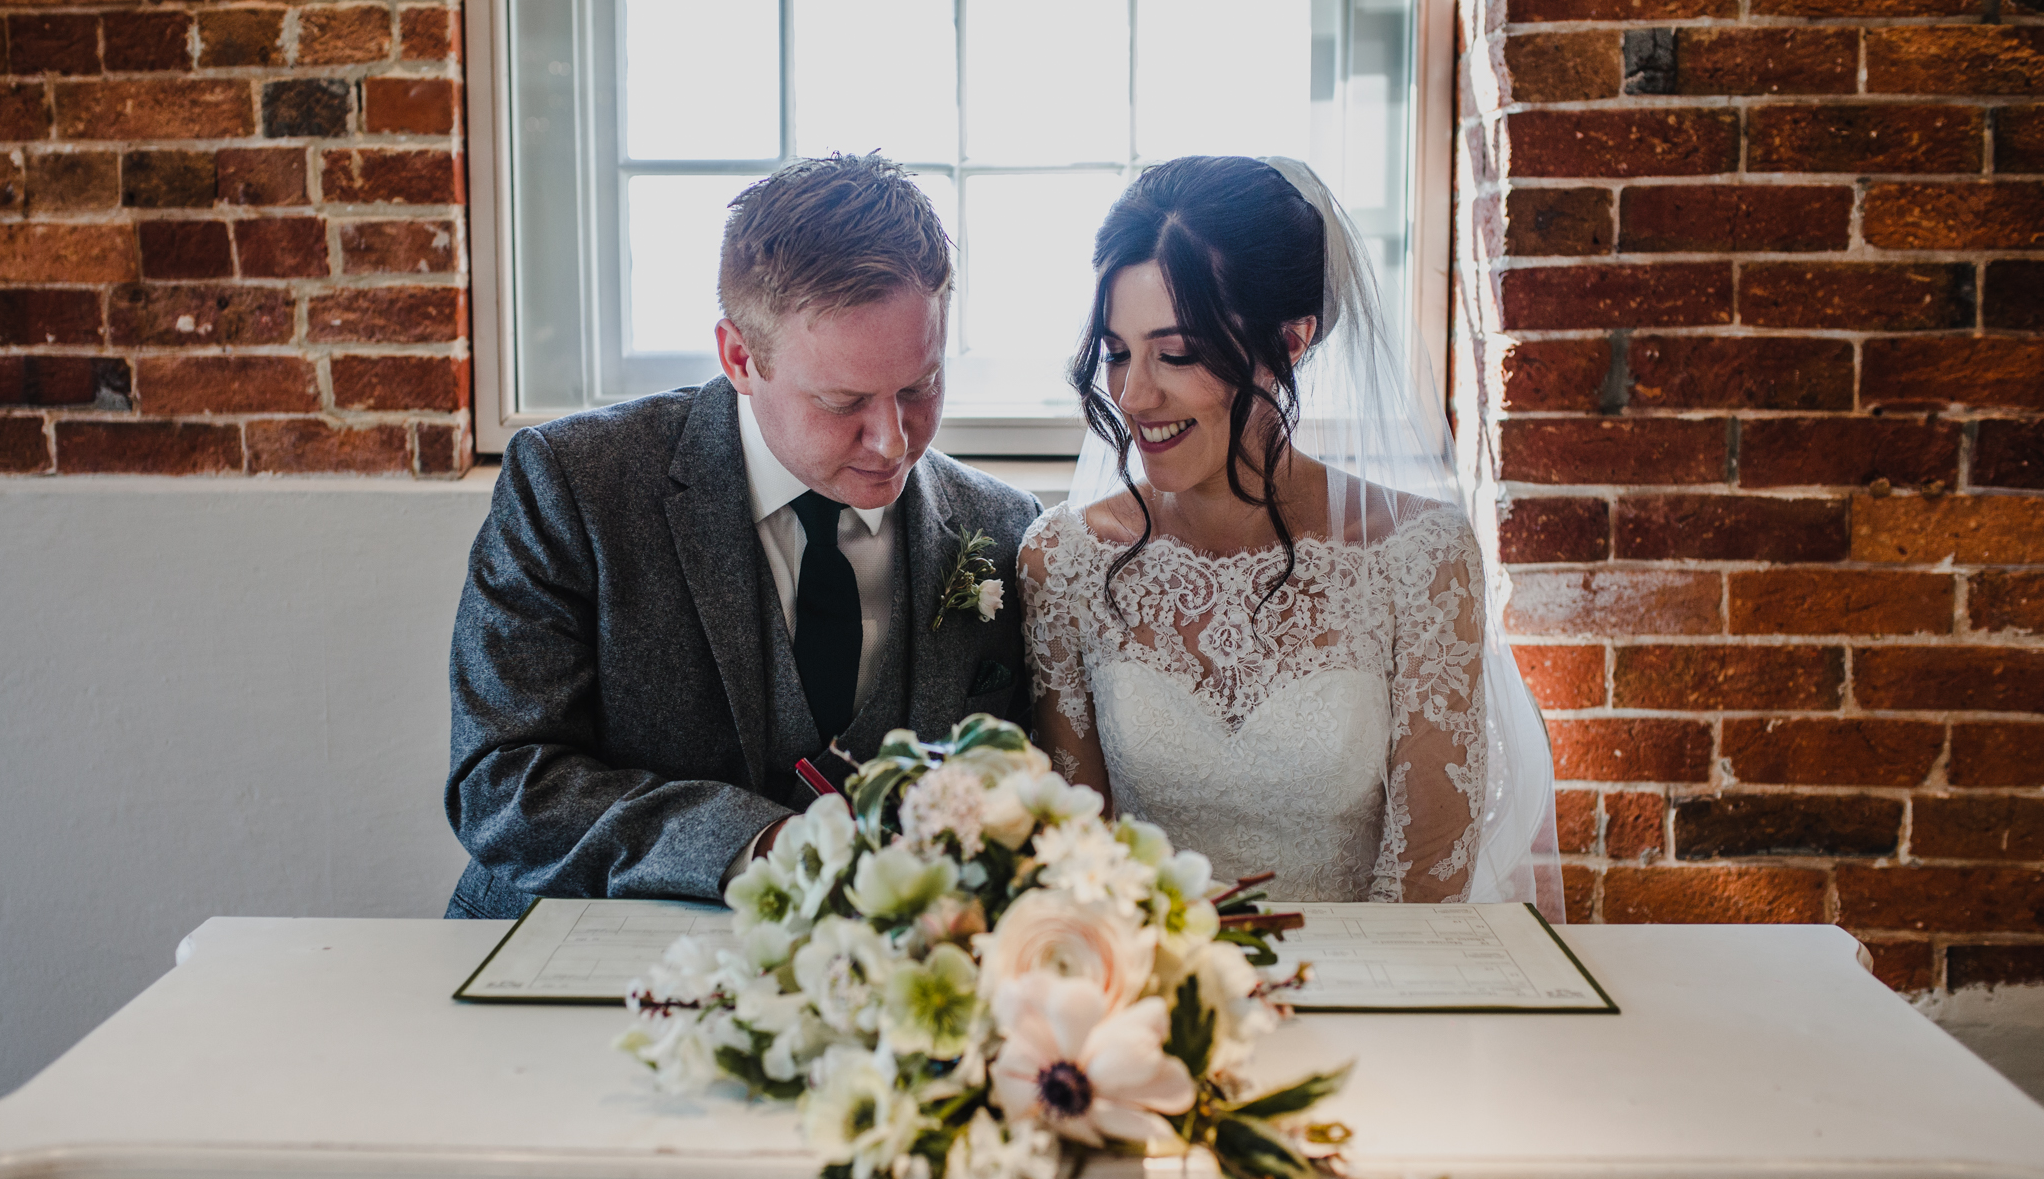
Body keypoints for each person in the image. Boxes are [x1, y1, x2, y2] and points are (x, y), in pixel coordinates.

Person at [445, 154, 1038, 920]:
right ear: (738, 358)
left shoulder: (1003, 525)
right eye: (843, 399)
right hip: (579, 965)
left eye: (921, 387)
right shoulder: (573, 485)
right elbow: (503, 782)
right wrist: (759, 845)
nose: (893, 440)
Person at [1020, 156, 1561, 913]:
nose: (1135, 394)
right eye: (1116, 352)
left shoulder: (1421, 557)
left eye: (1175, 354)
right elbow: (1074, 861)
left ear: (1292, 340)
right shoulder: (1065, 562)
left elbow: (1429, 868)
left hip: (1372, 996)